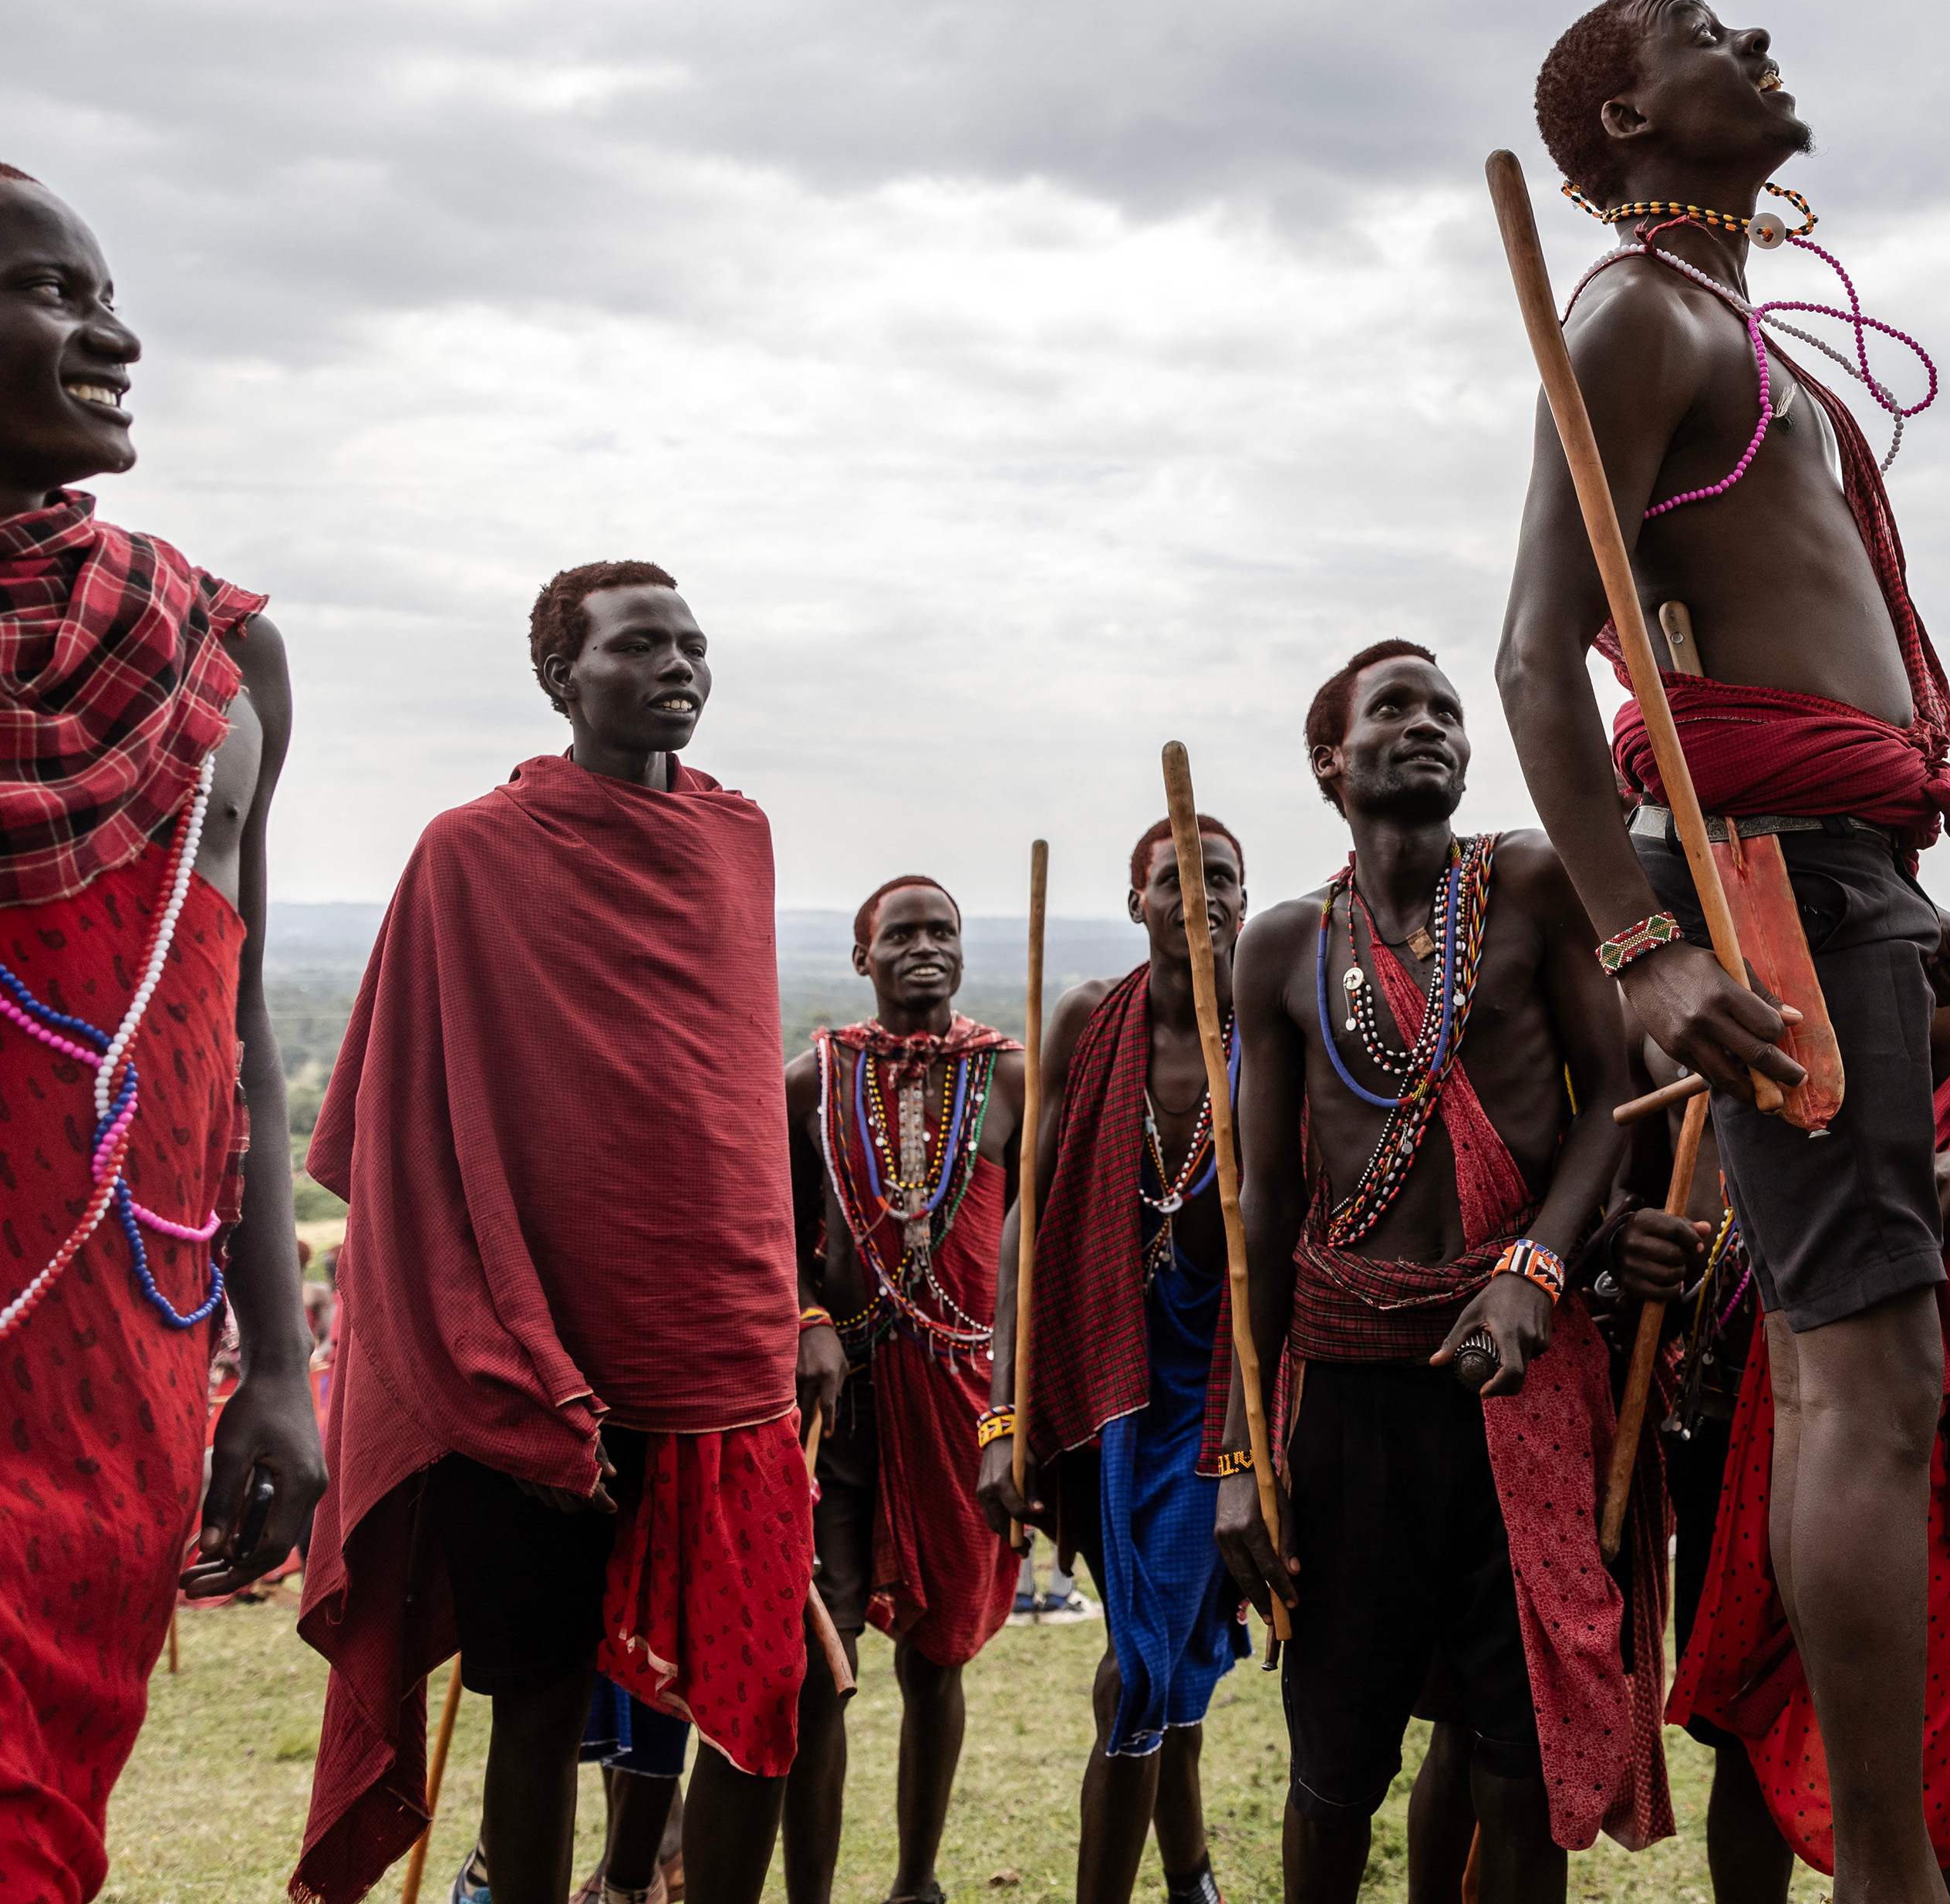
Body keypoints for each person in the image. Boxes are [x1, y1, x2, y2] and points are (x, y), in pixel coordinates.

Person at [1495, 0, 1950, 1904]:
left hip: (1836, 872)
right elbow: (1536, 654)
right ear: (1627, 114)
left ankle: (1881, 1858)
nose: (1762, 36)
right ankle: (1884, 1874)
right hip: (1760, 878)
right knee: (1852, 1385)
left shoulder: (1727, 331)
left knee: (1845, 1375)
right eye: (1708, 32)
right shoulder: (1630, 314)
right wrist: (1640, 945)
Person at [294, 563, 816, 1904]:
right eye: (640, 644)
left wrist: (795, 1308)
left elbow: (730, 1107)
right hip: (533, 1356)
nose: (679, 666)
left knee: (764, 1694)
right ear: (560, 676)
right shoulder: (471, 852)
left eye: (695, 644)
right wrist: (503, 1366)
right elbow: (412, 1127)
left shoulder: (741, 838)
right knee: (534, 1697)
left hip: (721, 1349)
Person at [0, 157, 324, 1897]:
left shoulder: (214, 654)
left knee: (52, 1809)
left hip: (116, 1360)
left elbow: (238, 1036)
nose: (114, 335)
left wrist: (276, 1365)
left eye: (108, 292)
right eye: (48, 292)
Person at [1216, 641, 1666, 1903]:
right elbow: (1263, 1215)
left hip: (1517, 1381)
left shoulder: (1527, 883)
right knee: (1335, 1765)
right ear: (1330, 760)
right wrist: (1241, 1456)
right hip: (1350, 1398)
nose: (1430, 726)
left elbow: (1614, 1094)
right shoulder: (1279, 949)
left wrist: (1536, 1263)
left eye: (1447, 710)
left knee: (1523, 1754)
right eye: (1395, 707)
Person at [1665, 922, 1950, 1904]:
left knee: (1918, 1750)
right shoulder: (1673, 970)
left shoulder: (1911, 959)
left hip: (1904, 1405)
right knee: (1746, 1726)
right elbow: (1625, 1166)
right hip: (1737, 1393)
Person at [978, 814, 1254, 1904]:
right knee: (1167, 1663)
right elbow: (1023, 1223)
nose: (1200, 895)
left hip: (1221, 1398)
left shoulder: (1268, 1023)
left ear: (1245, 896)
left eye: (1221, 877)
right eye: (1174, 878)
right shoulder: (1087, 1020)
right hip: (1104, 1393)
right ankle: (1188, 1881)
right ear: (1135, 901)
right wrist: (1003, 1413)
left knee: (1137, 1665)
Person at [778, 875, 1029, 1903]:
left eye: (944, 932)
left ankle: (917, 1884)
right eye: (902, 934)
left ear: (963, 955)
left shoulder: (1012, 1076)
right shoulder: (812, 1083)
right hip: (845, 1402)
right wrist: (809, 1321)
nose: (925, 947)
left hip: (966, 1398)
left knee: (937, 1656)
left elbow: (1035, 1244)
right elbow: (776, 1239)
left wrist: (1020, 1404)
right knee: (816, 1662)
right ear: (862, 958)